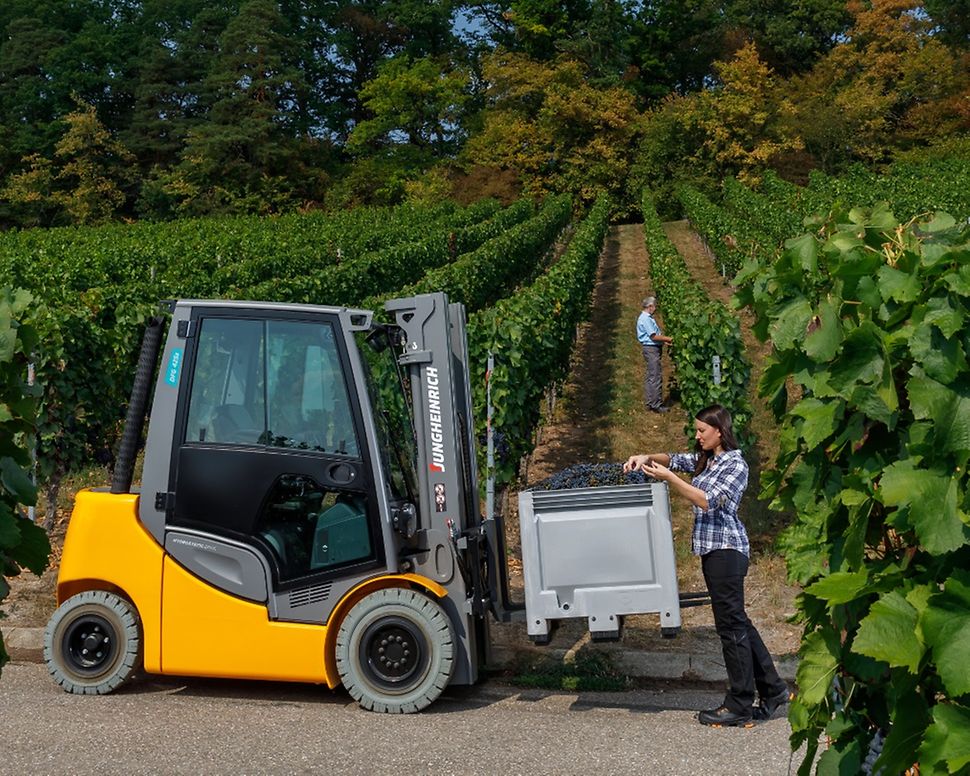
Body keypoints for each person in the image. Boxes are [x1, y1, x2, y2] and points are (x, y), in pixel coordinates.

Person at [623, 404, 790, 727]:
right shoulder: (707, 459)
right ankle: (774, 689)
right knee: (738, 622)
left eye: (702, 430)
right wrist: (646, 457)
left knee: (730, 628)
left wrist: (669, 478)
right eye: (696, 430)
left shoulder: (735, 464)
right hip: (714, 552)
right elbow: (675, 459)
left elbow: (707, 499)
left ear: (720, 431)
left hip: (727, 550)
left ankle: (740, 702)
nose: (697, 435)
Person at [637, 297, 672, 412]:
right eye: (655, 306)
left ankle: (650, 402)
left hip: (651, 348)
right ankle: (656, 405)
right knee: (655, 376)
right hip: (651, 349)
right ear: (650, 306)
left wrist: (663, 341)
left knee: (651, 375)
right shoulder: (646, 319)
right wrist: (669, 339)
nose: (656, 309)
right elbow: (653, 336)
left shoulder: (646, 318)